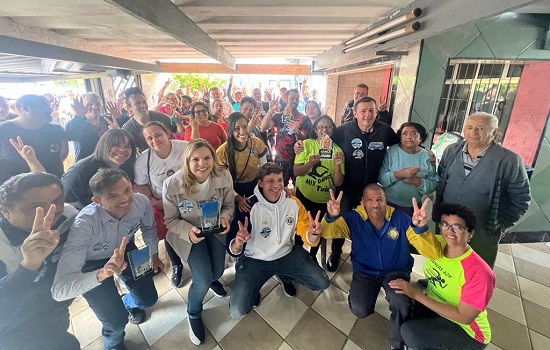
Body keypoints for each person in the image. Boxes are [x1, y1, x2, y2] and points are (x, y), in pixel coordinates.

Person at [322, 184, 441, 350]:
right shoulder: (353, 218)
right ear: (363, 202)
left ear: (387, 201)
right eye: (369, 200)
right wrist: (331, 216)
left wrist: (420, 228)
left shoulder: (401, 219)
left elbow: (433, 253)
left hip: (395, 271)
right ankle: (364, 295)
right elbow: (327, 232)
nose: (375, 204)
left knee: (401, 303)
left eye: (379, 199)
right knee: (360, 309)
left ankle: (398, 343)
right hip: (365, 272)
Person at [53, 168, 162, 350]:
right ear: (97, 201)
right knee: (116, 322)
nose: (125, 199)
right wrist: (102, 273)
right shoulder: (84, 224)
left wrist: (154, 253)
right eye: (113, 196)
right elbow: (60, 289)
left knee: (148, 299)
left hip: (125, 249)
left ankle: (126, 302)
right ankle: (114, 343)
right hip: (91, 265)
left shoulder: (141, 201)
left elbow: (149, 229)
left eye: (127, 190)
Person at [227, 162, 330, 318]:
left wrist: (313, 234)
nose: (276, 185)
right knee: (237, 310)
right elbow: (233, 248)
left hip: (286, 254)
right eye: (270, 181)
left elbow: (306, 235)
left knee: (322, 283)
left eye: (280, 180)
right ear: (260, 183)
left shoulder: (293, 203)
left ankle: (285, 275)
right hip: (255, 260)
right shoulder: (248, 207)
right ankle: (254, 287)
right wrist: (238, 243)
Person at [389, 203, 496, 350]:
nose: (449, 231)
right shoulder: (439, 243)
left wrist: (416, 294)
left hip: (467, 331)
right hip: (438, 305)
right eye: (445, 224)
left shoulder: (479, 273)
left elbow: (464, 317)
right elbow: (420, 241)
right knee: (405, 310)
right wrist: (418, 226)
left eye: (457, 227)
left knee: (410, 332)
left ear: (470, 233)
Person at [434, 112, 530, 268]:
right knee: (444, 259)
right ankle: (438, 287)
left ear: (494, 133)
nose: (473, 133)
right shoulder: (451, 151)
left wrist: (502, 224)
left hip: (484, 228)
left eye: (480, 128)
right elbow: (440, 181)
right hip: (448, 223)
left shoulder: (509, 160)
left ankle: (470, 293)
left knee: (477, 266)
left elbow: (521, 197)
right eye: (469, 127)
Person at [162, 139, 235, 345]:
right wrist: (188, 230)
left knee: (218, 272)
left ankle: (213, 280)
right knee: (201, 279)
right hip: (189, 234)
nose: (202, 164)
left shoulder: (223, 176)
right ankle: (193, 312)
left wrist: (225, 217)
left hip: (214, 229)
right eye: (195, 159)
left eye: (206, 158)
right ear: (187, 160)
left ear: (213, 159)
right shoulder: (172, 184)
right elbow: (171, 220)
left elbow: (229, 205)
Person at [0, 172, 80, 350]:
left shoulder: (68, 216)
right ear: (5, 211)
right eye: (37, 206)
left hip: (53, 306)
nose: (52, 211)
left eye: (57, 200)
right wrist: (29, 265)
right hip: (15, 328)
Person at [326, 96, 399, 271]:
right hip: (347, 188)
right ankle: (335, 252)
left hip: (373, 189)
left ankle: (365, 255)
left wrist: (425, 153)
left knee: (371, 223)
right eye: (363, 111)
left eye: (371, 111)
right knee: (342, 220)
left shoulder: (384, 131)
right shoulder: (342, 131)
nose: (368, 115)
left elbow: (402, 146)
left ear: (376, 112)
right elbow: (323, 145)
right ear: (355, 113)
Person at [134, 121, 187, 288]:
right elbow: (140, 185)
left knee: (194, 230)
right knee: (170, 234)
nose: (155, 140)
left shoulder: (185, 148)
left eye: (158, 134)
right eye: (149, 138)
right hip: (163, 203)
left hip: (189, 199)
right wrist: (153, 200)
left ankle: (203, 267)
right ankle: (177, 265)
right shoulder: (144, 160)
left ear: (167, 133)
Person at [293, 115, 344, 258]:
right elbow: (296, 172)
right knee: (300, 228)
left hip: (324, 200)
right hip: (304, 197)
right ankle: (297, 256)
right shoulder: (306, 145)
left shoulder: (338, 151)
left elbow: (338, 182)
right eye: (321, 127)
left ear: (333, 130)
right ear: (316, 130)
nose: (325, 130)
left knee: (318, 229)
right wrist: (309, 163)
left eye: (328, 127)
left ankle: (312, 256)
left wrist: (337, 165)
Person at [0, 94, 68, 184]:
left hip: (54, 187)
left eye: (49, 106)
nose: (50, 110)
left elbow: (63, 154)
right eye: (44, 107)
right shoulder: (3, 130)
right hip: (17, 190)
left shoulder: (57, 129)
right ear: (25, 108)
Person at [62, 129, 137, 210]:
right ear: (104, 146)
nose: (122, 150)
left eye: (127, 146)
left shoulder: (129, 167)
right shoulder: (81, 170)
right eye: (116, 145)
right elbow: (66, 202)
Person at [379, 122, 438, 216]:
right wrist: (399, 174)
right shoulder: (391, 152)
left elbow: (434, 183)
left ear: (421, 138)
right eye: (405, 133)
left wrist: (417, 181)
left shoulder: (427, 157)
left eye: (414, 133)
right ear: (400, 138)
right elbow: (381, 178)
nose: (409, 136)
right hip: (388, 203)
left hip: (414, 207)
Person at [217, 112, 268, 213]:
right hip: (233, 190)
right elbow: (222, 181)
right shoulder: (222, 151)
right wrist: (237, 198)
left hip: (255, 187)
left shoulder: (256, 142)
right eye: (237, 129)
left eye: (245, 127)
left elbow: (264, 169)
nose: (242, 131)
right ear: (230, 130)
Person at [260, 88, 311, 185]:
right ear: (286, 99)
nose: (294, 101)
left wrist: (297, 131)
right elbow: (263, 127)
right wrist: (270, 111)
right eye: (292, 98)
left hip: (297, 160)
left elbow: (303, 141)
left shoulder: (303, 118)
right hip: (280, 160)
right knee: (279, 187)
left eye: (297, 99)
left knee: (298, 186)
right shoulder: (278, 116)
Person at [65, 92, 127, 161]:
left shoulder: (109, 119)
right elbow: (70, 135)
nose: (94, 107)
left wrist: (120, 116)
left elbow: (127, 131)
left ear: (102, 106)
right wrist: (79, 116)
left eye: (97, 104)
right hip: (87, 164)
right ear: (82, 107)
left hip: (111, 162)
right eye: (89, 104)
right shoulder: (78, 122)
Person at [122, 87, 174, 152]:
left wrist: (176, 120)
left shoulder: (161, 117)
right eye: (137, 103)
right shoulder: (128, 128)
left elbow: (178, 131)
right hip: (148, 160)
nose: (142, 105)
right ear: (129, 107)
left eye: (144, 102)